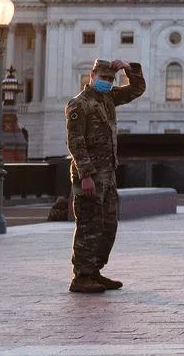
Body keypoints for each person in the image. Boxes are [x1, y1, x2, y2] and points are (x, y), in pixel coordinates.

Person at [65, 58, 146, 292]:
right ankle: (80, 276)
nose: (107, 82)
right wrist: (86, 175)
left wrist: (130, 70)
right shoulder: (78, 105)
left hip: (108, 175)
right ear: (92, 77)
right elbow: (75, 143)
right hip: (88, 176)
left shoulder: (108, 99)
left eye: (111, 79)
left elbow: (137, 89)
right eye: (104, 78)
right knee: (89, 224)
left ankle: (95, 271)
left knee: (108, 225)